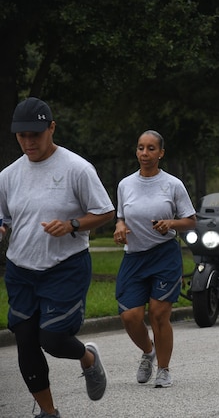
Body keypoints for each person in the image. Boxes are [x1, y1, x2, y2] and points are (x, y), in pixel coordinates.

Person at [0, 97, 115, 418]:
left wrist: (72, 225)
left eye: (34, 134)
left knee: (51, 339)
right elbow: (3, 217)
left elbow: (105, 211)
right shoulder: (8, 176)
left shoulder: (76, 169)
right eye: (21, 135)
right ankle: (49, 412)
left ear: (51, 128)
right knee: (24, 339)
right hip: (21, 268)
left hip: (65, 267)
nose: (28, 142)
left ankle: (88, 358)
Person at [113, 130, 196, 388]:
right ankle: (148, 351)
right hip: (135, 257)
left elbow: (191, 222)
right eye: (140, 148)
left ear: (161, 153)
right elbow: (121, 216)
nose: (145, 154)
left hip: (164, 254)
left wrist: (170, 223)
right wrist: (119, 226)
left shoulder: (172, 184)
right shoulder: (125, 184)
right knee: (130, 317)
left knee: (159, 314)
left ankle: (163, 368)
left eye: (151, 149)